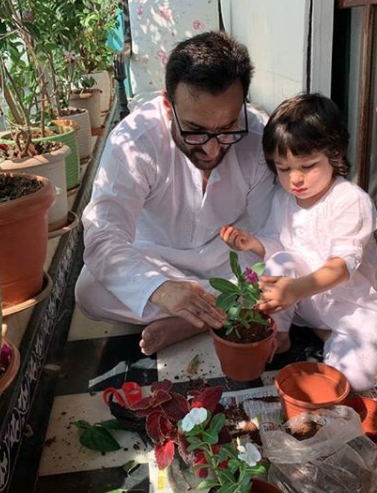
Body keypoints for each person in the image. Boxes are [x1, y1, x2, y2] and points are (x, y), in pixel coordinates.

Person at [75, 31, 275, 355]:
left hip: (227, 259)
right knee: (89, 291)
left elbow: (269, 231)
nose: (212, 149)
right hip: (156, 257)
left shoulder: (258, 134)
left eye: (227, 128)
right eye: (196, 131)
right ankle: (225, 309)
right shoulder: (134, 142)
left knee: (280, 268)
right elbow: (104, 236)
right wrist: (161, 288)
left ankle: (193, 321)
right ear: (168, 106)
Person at [220, 93, 377, 391]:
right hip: (303, 300)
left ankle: (326, 335)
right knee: (279, 263)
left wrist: (295, 289)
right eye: (283, 168)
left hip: (350, 306)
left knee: (357, 380)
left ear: (334, 155)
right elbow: (279, 245)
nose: (295, 180)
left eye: (307, 166)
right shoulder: (284, 198)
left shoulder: (350, 201)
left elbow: (341, 266)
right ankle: (282, 334)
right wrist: (252, 243)